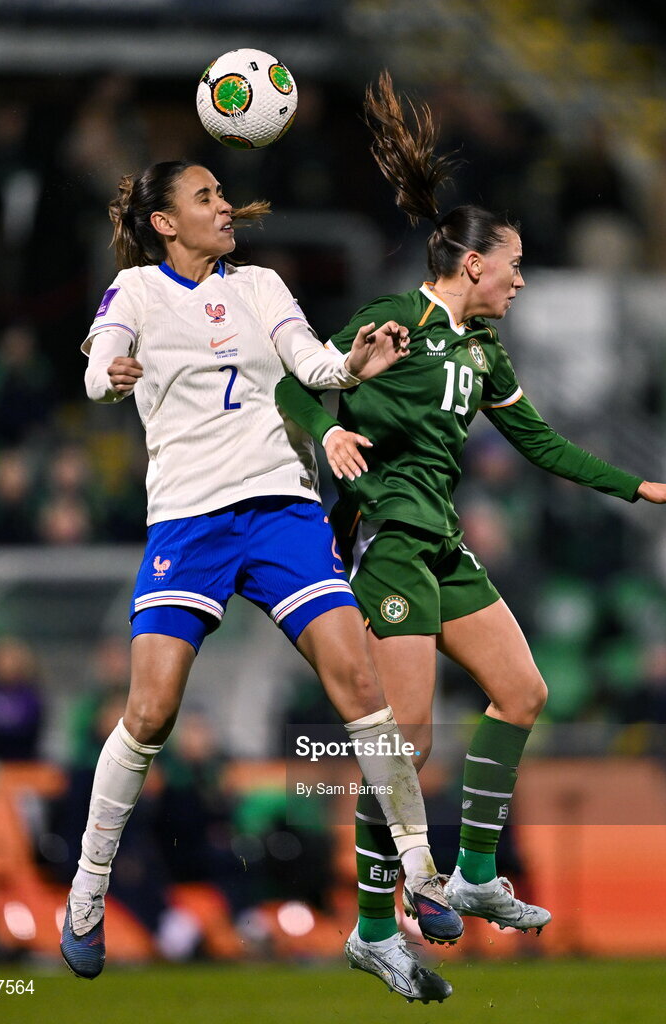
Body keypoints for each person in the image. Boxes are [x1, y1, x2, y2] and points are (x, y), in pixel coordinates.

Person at [275, 71, 666, 999]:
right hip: (389, 540)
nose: (521, 277)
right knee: (403, 738)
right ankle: (369, 929)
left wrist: (637, 485)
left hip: (443, 540)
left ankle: (474, 872)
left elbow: (542, 443)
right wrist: (327, 428)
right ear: (471, 263)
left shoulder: (483, 352)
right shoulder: (389, 322)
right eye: (513, 263)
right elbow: (297, 381)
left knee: (523, 691)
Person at [59, 158, 462, 997]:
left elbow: (312, 369)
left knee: (358, 679)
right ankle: (88, 892)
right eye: (204, 197)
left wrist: (356, 361)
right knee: (150, 711)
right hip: (189, 520)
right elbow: (100, 362)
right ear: (165, 222)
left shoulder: (264, 286)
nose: (223, 206)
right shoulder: (136, 290)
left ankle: (423, 871)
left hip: (280, 507)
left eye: (220, 193)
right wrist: (111, 379)